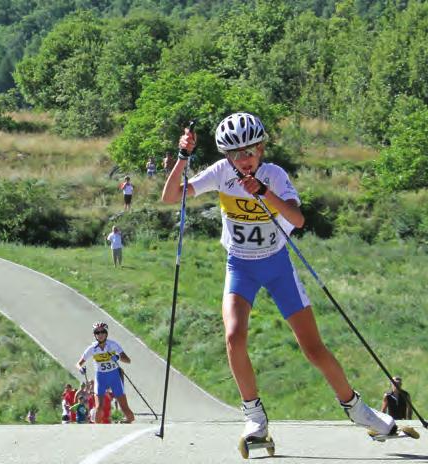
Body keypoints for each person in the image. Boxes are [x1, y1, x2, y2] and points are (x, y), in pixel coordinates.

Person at [161, 111, 397, 442]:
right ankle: (254, 416)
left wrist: (263, 192)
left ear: (261, 148)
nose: (243, 159)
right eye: (235, 154)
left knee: (313, 349)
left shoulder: (275, 175)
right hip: (240, 266)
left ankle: (357, 408)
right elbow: (172, 197)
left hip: (277, 266)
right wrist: (183, 157)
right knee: (233, 336)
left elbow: (297, 220)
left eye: (250, 151)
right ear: (226, 155)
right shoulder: (220, 173)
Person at [76, 322, 135, 424]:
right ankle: (98, 429)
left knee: (124, 406)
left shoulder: (113, 345)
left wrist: (118, 357)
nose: (100, 334)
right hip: (101, 378)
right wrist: (80, 368)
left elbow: (128, 360)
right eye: (97, 332)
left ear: (106, 333)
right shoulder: (92, 348)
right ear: (95, 334)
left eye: (103, 332)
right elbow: (78, 363)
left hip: (114, 376)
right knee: (99, 406)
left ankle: (129, 421)